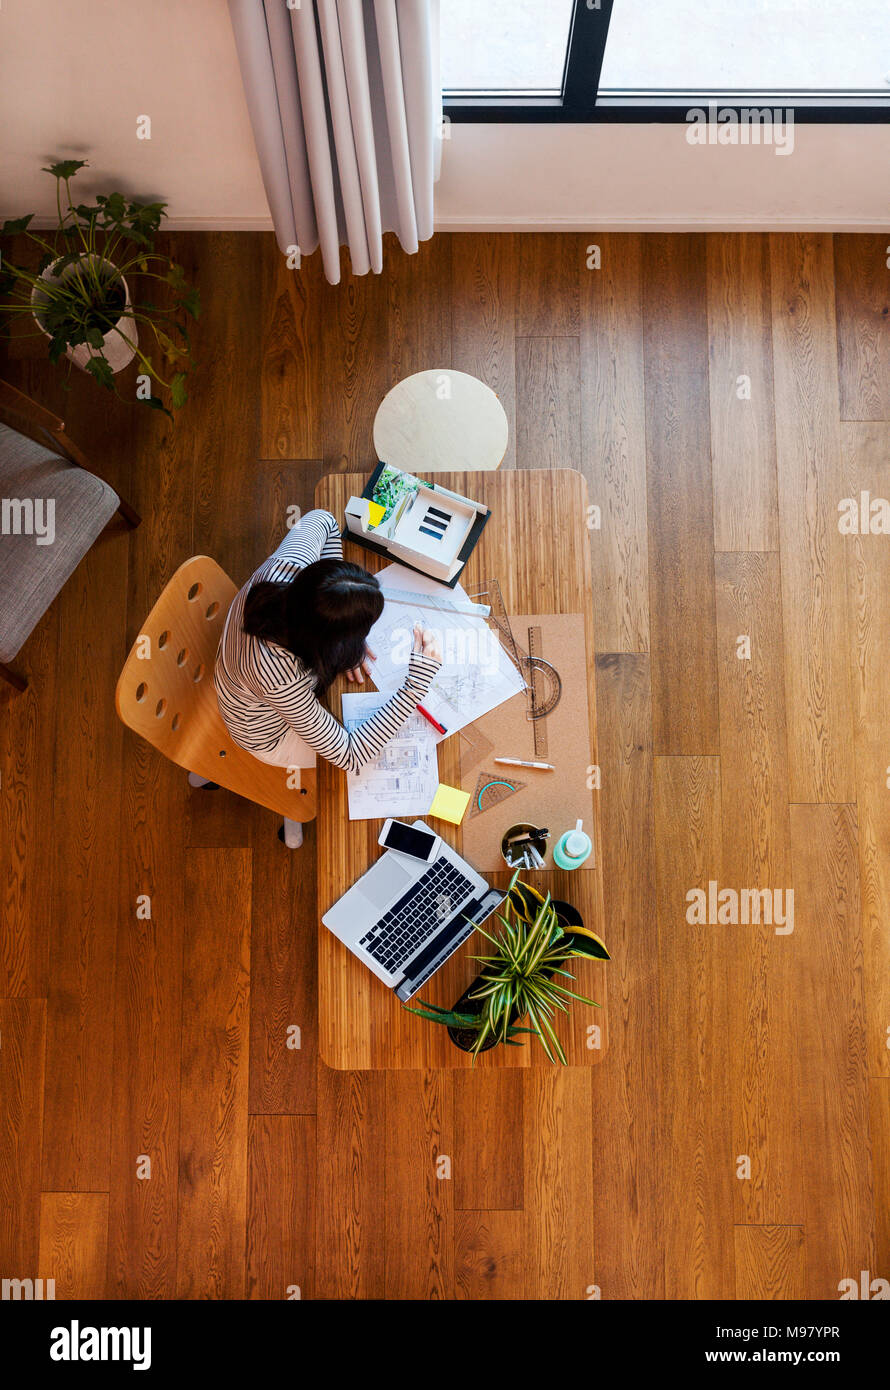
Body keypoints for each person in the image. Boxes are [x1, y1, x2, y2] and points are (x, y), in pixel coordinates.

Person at [214, 509, 442, 773]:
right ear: (325, 645)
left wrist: (339, 608)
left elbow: (324, 519)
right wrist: (415, 686)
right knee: (357, 766)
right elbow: (351, 755)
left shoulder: (291, 565)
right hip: (266, 732)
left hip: (243, 674)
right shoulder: (280, 676)